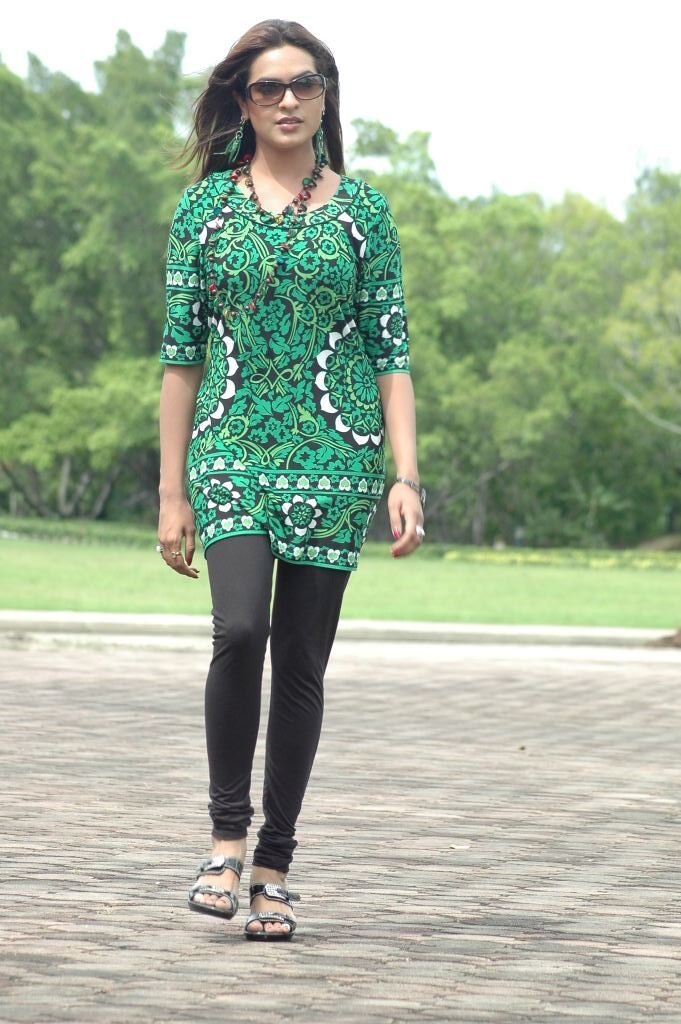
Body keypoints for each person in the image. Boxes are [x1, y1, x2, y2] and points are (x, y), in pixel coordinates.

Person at [156, 18, 425, 941]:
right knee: (240, 630)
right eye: (267, 87)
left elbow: (391, 352)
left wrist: (405, 475)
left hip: (334, 454)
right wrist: (171, 492)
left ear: (324, 96)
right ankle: (224, 842)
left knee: (301, 662)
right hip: (228, 446)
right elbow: (179, 357)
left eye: (302, 84)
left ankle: (273, 866)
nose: (286, 100)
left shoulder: (364, 213)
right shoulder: (203, 211)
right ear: (242, 101)